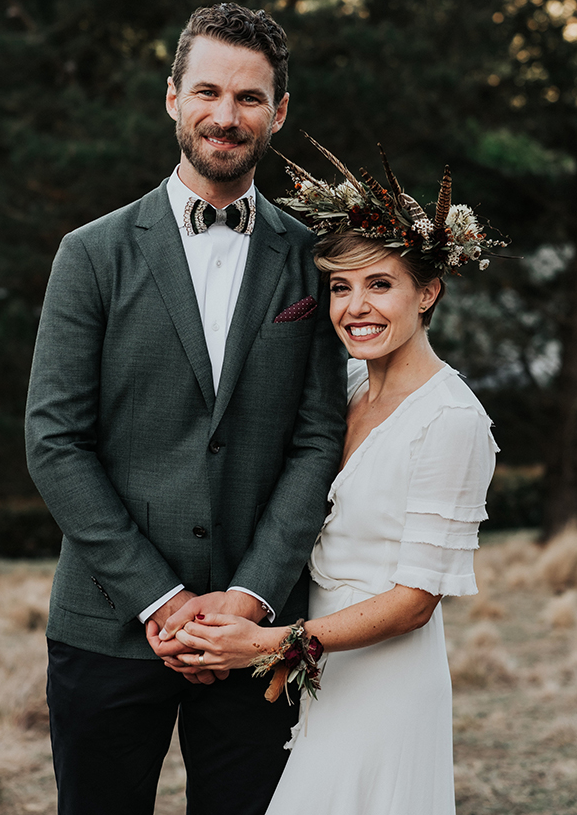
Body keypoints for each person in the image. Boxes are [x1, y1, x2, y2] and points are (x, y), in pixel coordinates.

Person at [25, 6, 347, 815]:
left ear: (278, 111)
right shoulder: (90, 254)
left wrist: (248, 599)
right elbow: (54, 442)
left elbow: (317, 441)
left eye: (248, 98)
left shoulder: (313, 260)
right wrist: (163, 602)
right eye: (207, 91)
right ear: (172, 97)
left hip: (257, 631)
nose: (224, 116)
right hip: (108, 622)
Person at [160, 140, 505, 814]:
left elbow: (415, 602)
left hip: (386, 685)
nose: (355, 307)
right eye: (341, 288)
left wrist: (267, 644)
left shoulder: (451, 420)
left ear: (427, 293)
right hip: (319, 675)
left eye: (380, 285)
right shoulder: (344, 387)